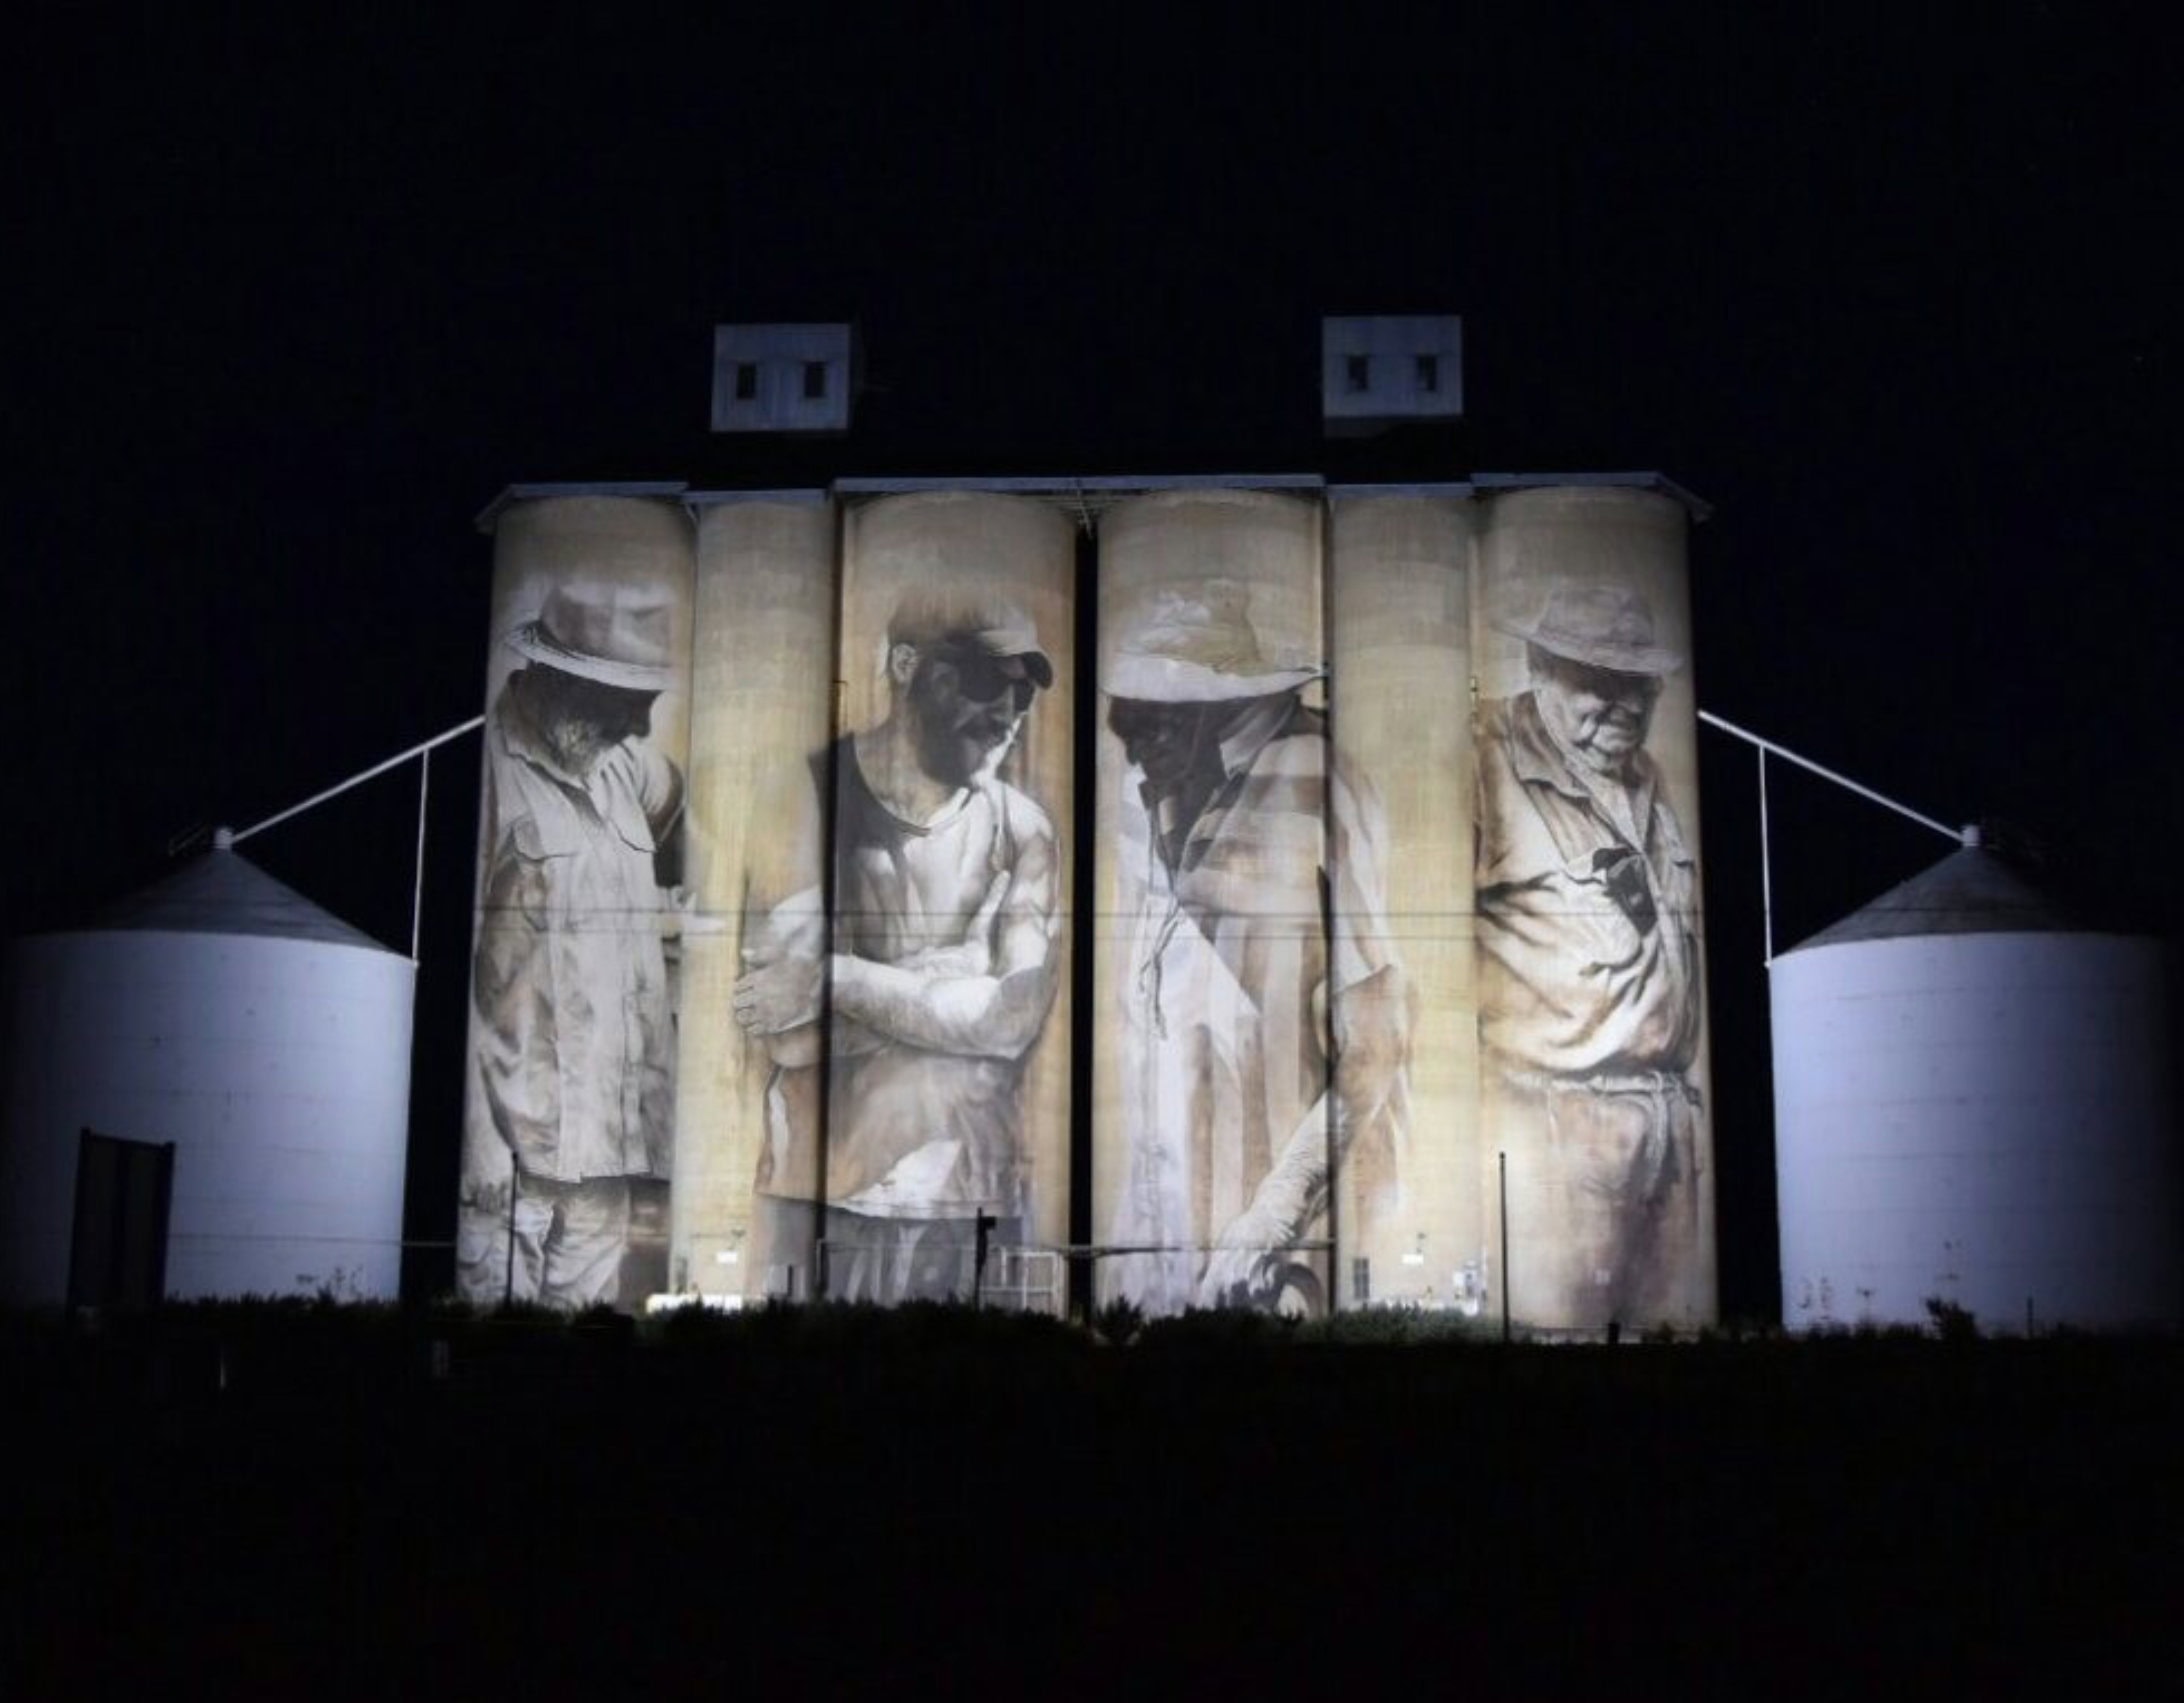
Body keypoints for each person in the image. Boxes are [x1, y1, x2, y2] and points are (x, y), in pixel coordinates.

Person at [732, 591, 1061, 1303]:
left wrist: (833, 976)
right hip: (823, 1199)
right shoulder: (808, 794)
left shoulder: (1023, 828)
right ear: (907, 666)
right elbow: (787, 1035)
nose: (1008, 712)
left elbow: (1011, 1017)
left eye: (1023, 690)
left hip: (975, 1199)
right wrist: (964, 967)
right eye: (983, 681)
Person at [1102, 582, 1410, 1314]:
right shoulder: (1151, 797)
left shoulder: (1317, 780)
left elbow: (1378, 1041)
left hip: (1280, 1253)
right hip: (1167, 1244)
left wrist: (1270, 1219)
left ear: (1219, 706)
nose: (1134, 745)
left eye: (1152, 719)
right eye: (1127, 722)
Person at [1474, 581, 1705, 1329]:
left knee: (1671, 1343)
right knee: (1560, 1340)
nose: (1627, 705)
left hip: (1669, 1128)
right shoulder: (1484, 759)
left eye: (1638, 683)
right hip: (1559, 1130)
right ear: (1539, 668)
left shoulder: (1647, 779)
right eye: (1598, 681)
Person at [458, 579, 685, 1308]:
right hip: (516, 1154)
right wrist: (479, 1142)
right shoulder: (491, 772)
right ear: (565, 683)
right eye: (627, 704)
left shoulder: (618, 769)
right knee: (494, 1355)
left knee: (580, 1359)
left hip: (610, 1150)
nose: (639, 727)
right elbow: (459, 968)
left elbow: (688, 799)